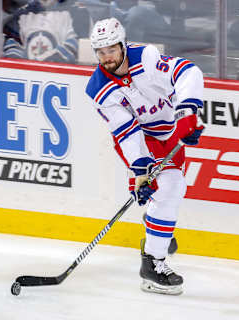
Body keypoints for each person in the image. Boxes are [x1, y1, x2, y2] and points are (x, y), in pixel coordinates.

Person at [85, 17, 204, 295]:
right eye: (100, 52)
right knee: (171, 189)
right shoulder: (98, 88)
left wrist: (187, 111)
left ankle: (157, 228)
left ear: (123, 45)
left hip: (171, 131)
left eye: (111, 50)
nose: (106, 57)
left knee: (166, 196)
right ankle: (152, 264)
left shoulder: (146, 57)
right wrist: (141, 170)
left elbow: (189, 71)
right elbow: (126, 131)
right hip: (141, 138)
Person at [3, 0, 91, 63]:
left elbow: (81, 45)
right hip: (27, 77)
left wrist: (42, 63)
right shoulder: (22, 13)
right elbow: (11, 46)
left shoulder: (78, 11)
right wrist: (24, 67)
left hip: (64, 77)